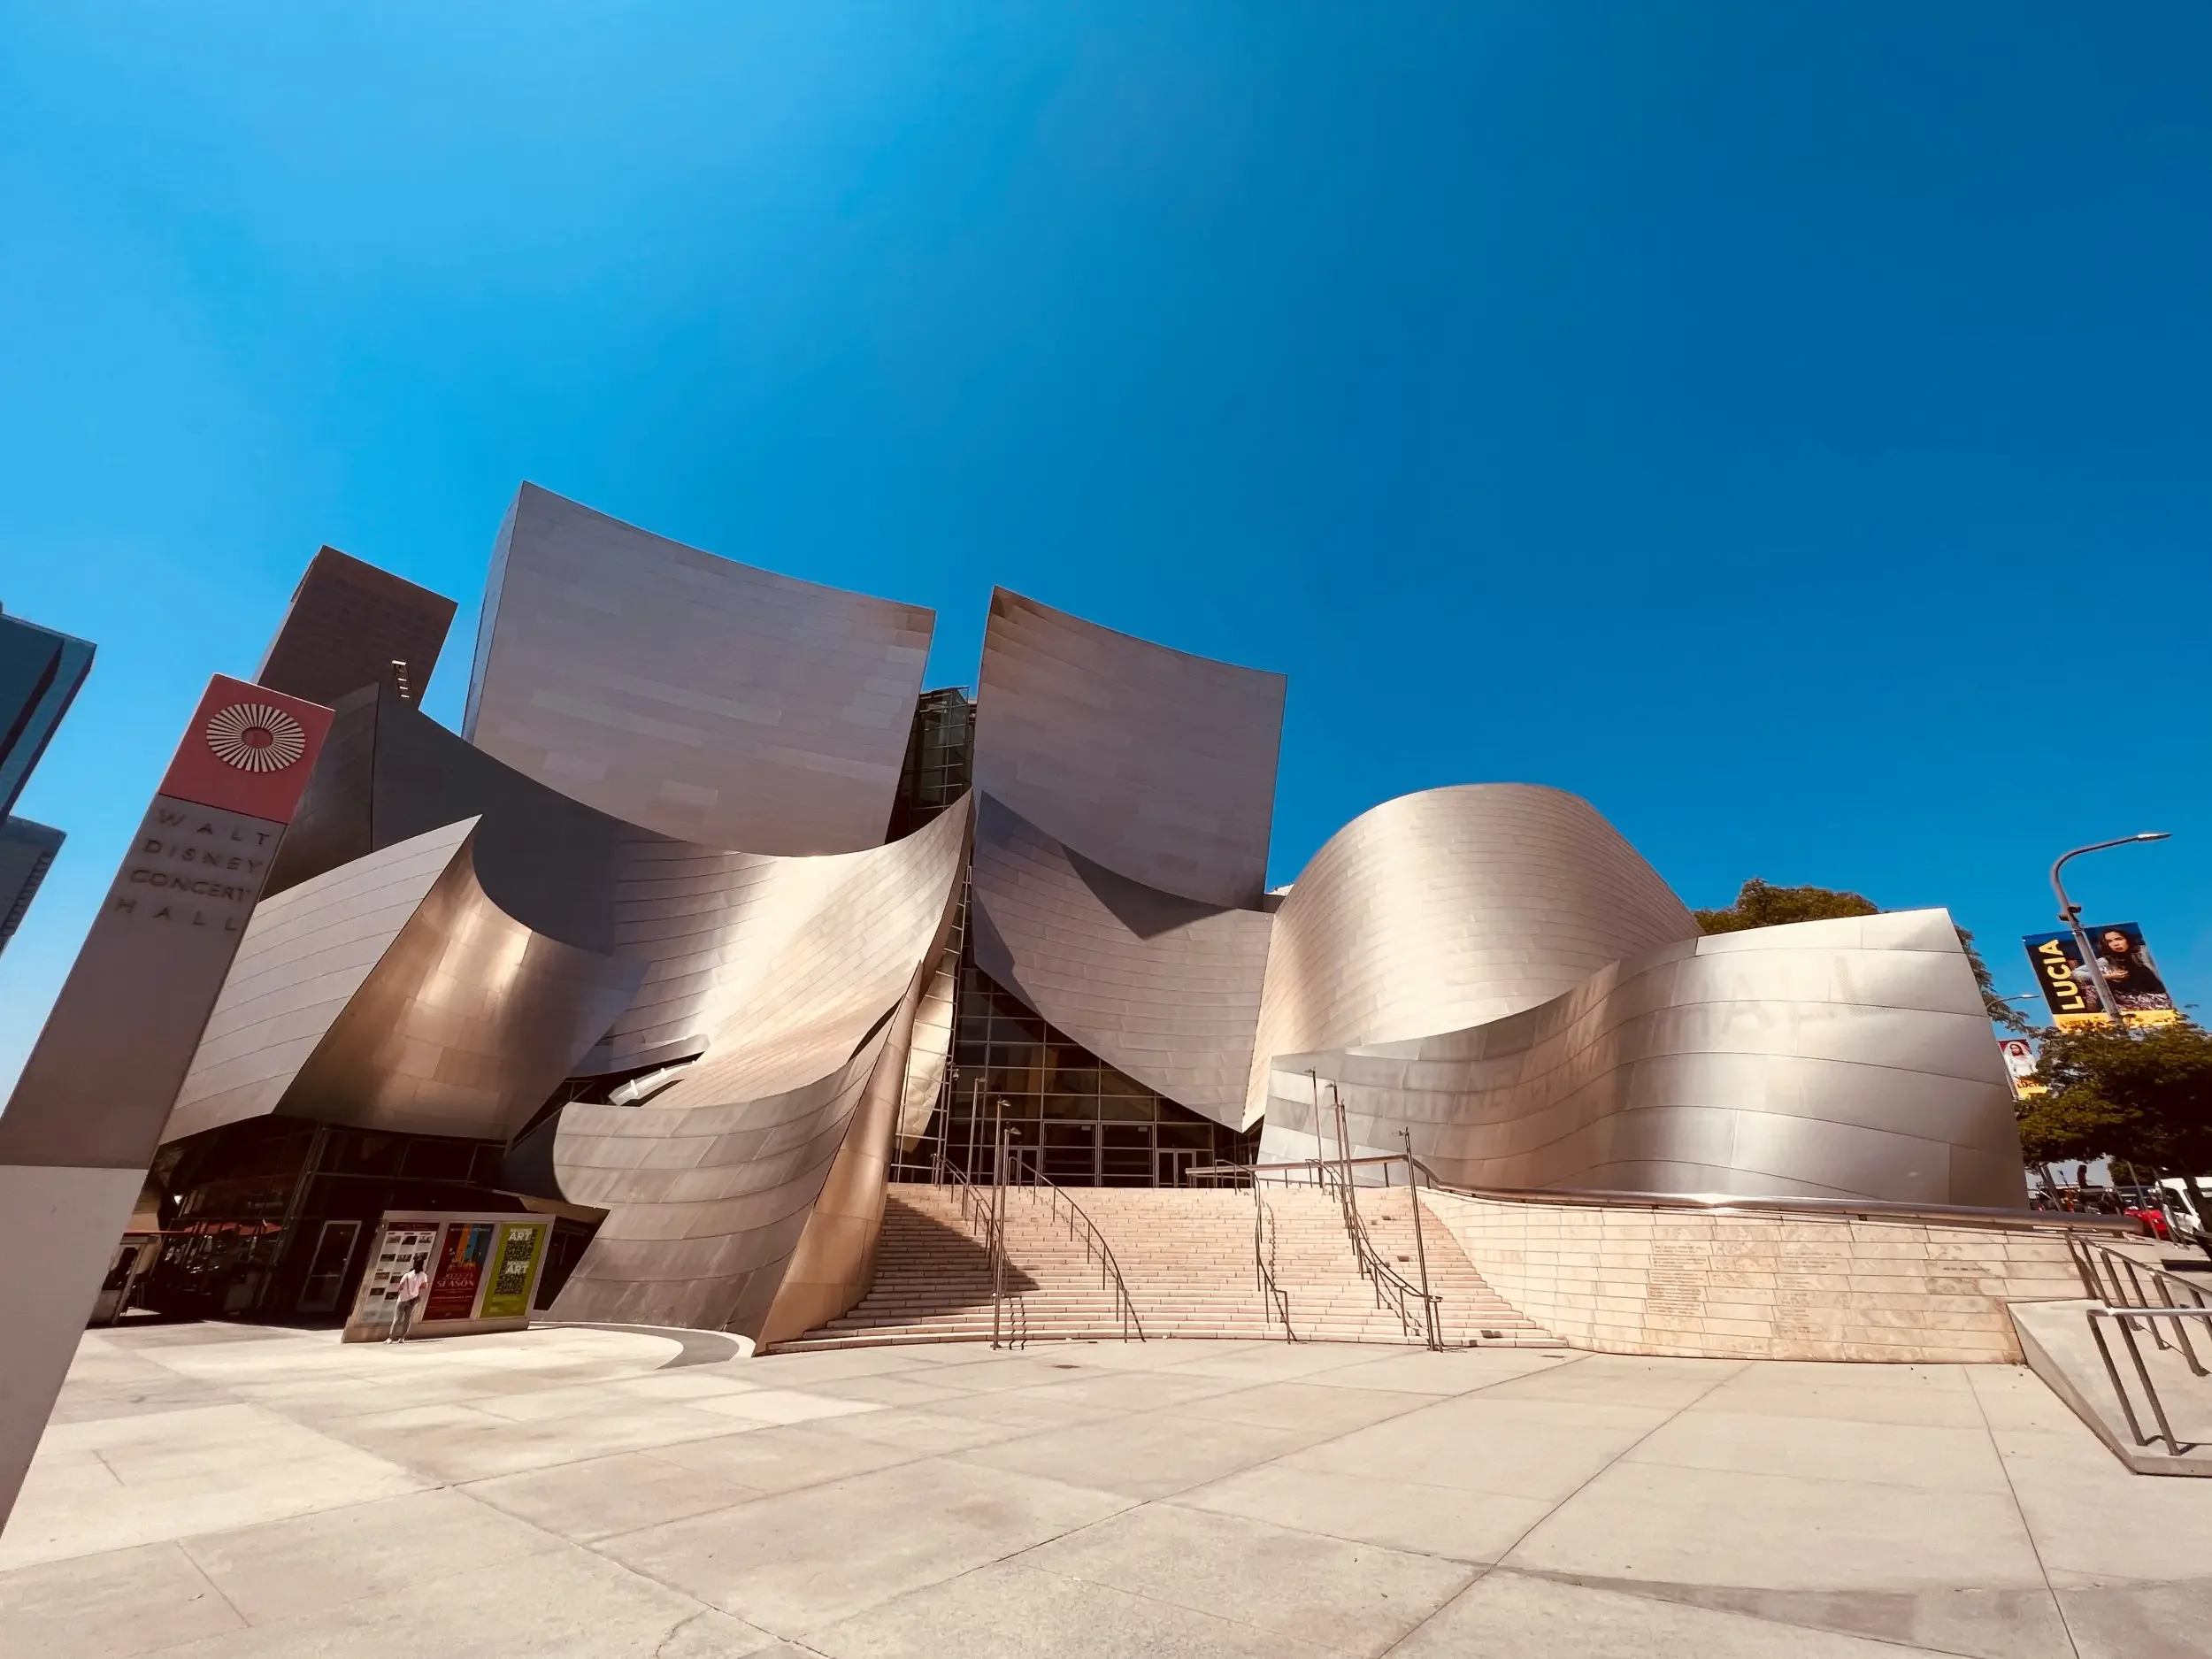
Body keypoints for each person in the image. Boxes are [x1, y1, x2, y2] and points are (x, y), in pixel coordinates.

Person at [2096, 929, 2171, 1010]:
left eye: (2119, 939)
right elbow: (2085, 974)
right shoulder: (2105, 960)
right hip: (2128, 997)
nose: (2115, 944)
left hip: (2156, 994)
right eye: (2110, 941)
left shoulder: (2144, 952)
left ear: (2128, 940)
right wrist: (2109, 976)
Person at [388, 1256, 429, 1342]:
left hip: (402, 1299)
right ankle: (402, 1338)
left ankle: (391, 1338)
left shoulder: (407, 1275)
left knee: (397, 1319)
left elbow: (400, 1287)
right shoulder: (423, 1275)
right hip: (413, 1300)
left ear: (414, 1264)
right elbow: (425, 1287)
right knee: (407, 1319)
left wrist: (403, 1290)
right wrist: (416, 1287)